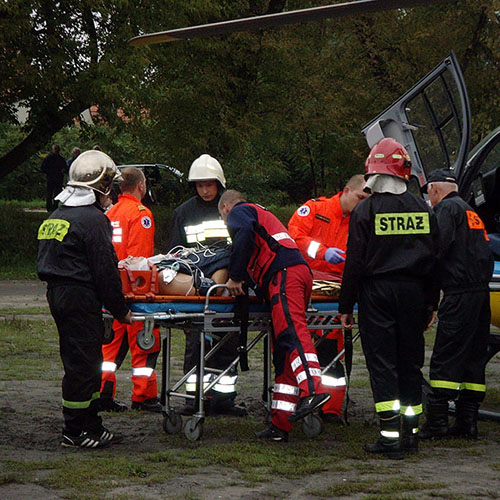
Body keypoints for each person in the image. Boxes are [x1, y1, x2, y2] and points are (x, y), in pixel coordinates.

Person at [339, 138, 439, 458]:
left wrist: (345, 305)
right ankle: (410, 434)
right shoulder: (423, 208)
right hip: (414, 292)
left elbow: (354, 262)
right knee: (410, 362)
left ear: (373, 173)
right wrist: (431, 303)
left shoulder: (365, 211)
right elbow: (434, 260)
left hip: (377, 293)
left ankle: (388, 437)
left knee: (382, 365)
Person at [37, 149, 132, 449]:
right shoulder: (93, 220)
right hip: (80, 297)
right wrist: (121, 310)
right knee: (82, 364)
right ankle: (75, 430)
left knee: (88, 361)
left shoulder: (57, 216)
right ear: (101, 186)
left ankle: (91, 423)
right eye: (110, 187)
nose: (112, 194)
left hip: (60, 295)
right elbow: (105, 271)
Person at [219, 189, 331, 442]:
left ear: (226, 208)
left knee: (291, 332)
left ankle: (313, 388)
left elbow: (244, 237)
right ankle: (280, 424)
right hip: (294, 273)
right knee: (283, 352)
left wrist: (235, 277)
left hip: (285, 275)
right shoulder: (262, 216)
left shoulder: (239, 211)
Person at [168, 154, 246, 416]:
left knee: (228, 343)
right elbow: (174, 254)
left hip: (227, 288)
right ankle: (194, 398)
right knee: (196, 346)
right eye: (199, 185)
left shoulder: (232, 209)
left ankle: (224, 399)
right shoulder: (183, 212)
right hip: (197, 288)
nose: (204, 189)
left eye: (209, 184)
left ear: (219, 183)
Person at [419, 169, 493, 440]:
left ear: (435, 189)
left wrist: (427, 296)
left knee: (446, 356)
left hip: (459, 293)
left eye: (428, 193)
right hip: (480, 294)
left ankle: (437, 421)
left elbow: (436, 251)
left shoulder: (447, 210)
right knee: (474, 358)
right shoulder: (471, 212)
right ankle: (467, 421)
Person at [288, 174, 369, 422]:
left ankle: (331, 410)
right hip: (306, 286)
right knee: (298, 350)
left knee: (333, 354)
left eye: (367, 200)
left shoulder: (362, 220)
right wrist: (322, 252)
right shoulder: (315, 209)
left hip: (337, 289)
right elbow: (294, 237)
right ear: (346, 191)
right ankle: (295, 404)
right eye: (360, 197)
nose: (362, 203)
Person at [100, 167, 162, 413]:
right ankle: (143, 395)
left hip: (110, 289)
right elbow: (140, 260)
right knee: (145, 343)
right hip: (134, 291)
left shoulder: (109, 212)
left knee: (108, 346)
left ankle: (103, 393)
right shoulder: (140, 214)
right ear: (141, 186)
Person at [40, 144, 68, 212]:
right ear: (53, 150)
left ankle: (55, 206)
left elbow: (66, 168)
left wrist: (63, 170)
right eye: (55, 149)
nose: (56, 151)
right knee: (49, 193)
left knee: (57, 193)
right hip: (51, 178)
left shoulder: (61, 159)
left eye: (57, 149)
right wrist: (50, 172)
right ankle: (49, 207)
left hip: (58, 179)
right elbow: (42, 168)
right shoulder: (48, 158)